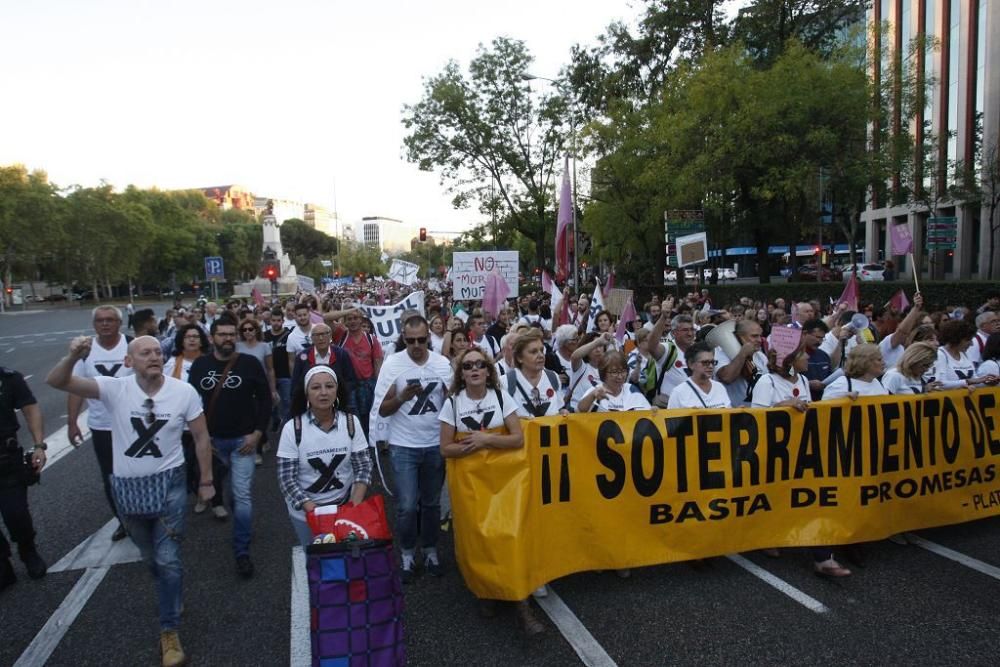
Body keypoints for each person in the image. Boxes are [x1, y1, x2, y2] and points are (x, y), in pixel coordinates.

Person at [47, 336, 214, 667]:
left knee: (167, 560)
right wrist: (72, 357)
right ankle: (171, 588)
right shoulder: (114, 389)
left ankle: (169, 632)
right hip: (128, 488)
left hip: (171, 484)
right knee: (150, 556)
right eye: (144, 353)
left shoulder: (184, 392)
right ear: (129, 361)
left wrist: (207, 481)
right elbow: (57, 381)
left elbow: (201, 436)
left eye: (157, 352)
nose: (153, 357)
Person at [437, 347, 544, 636]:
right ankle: (485, 591)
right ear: (461, 373)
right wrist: (471, 446)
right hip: (469, 484)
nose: (474, 369)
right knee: (479, 539)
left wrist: (486, 440)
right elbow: (445, 448)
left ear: (488, 370)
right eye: (468, 365)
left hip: (504, 481)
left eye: (480, 364)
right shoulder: (453, 404)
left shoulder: (500, 397)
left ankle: (522, 605)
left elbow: (518, 439)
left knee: (508, 537)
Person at [187, 315, 272, 578]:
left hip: (243, 442)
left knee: (242, 496)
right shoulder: (200, 365)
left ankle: (242, 551)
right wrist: (201, 439)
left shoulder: (248, 364)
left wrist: (257, 433)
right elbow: (190, 404)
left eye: (231, 334)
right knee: (224, 492)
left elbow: (266, 400)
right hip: (210, 443)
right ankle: (238, 523)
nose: (227, 338)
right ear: (211, 337)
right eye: (222, 334)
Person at [372, 315, 452, 582]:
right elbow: (381, 409)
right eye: (410, 340)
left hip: (434, 444)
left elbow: (455, 402)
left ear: (429, 336)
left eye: (421, 339)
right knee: (407, 505)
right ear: (403, 339)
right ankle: (407, 554)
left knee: (430, 504)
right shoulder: (393, 364)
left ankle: (430, 550)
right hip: (403, 445)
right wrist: (401, 397)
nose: (417, 345)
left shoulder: (441, 364)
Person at [277, 367, 371, 548]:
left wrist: (352, 507)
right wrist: (315, 513)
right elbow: (286, 479)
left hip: (344, 508)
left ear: (337, 390)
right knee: (314, 560)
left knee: (347, 559)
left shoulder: (351, 423)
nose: (323, 393)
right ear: (306, 393)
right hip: (306, 514)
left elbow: (364, 466)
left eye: (329, 386)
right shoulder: (293, 428)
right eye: (315, 387)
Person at [67, 305, 133, 542]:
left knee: (137, 471)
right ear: (94, 325)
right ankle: (123, 520)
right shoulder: (85, 351)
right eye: (100, 321)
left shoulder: (132, 344)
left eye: (110, 320)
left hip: (134, 423)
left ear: (119, 323)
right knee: (111, 477)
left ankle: (147, 515)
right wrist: (72, 422)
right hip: (102, 426)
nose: (105, 324)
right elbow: (74, 387)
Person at [163, 324, 223, 515]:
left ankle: (217, 502)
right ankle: (198, 492)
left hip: (206, 421)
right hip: (180, 426)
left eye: (196, 336)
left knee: (212, 463)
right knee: (188, 465)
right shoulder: (172, 364)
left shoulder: (210, 362)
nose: (192, 340)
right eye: (187, 336)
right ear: (181, 340)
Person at [0, 365, 47, 591]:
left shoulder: (8, 378)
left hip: (5, 458)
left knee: (16, 512)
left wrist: (39, 445)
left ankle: (28, 550)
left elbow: (30, 408)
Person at [332, 309, 384, 437]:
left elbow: (377, 364)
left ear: (361, 320)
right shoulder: (340, 335)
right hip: (348, 385)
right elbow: (325, 318)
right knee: (351, 418)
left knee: (367, 419)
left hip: (367, 385)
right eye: (349, 319)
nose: (353, 321)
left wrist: (379, 388)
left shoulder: (371, 339)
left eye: (356, 318)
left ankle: (367, 447)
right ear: (345, 321)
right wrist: (349, 310)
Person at [507, 329, 564, 417]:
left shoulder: (553, 377)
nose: (540, 355)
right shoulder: (506, 382)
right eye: (533, 352)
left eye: (541, 350)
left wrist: (563, 413)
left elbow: (559, 409)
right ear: (519, 358)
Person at [714, 320, 768, 408]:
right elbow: (727, 377)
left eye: (760, 336)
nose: (759, 340)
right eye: (754, 336)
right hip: (734, 414)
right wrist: (743, 353)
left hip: (758, 413)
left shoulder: (761, 356)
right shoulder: (721, 352)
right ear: (739, 337)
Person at [578, 351, 652, 413]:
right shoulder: (596, 391)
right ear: (603, 373)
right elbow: (580, 410)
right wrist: (593, 395)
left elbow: (646, 412)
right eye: (614, 372)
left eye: (623, 371)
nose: (620, 376)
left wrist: (653, 411)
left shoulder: (631, 389)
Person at [668, 342, 732, 410]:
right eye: (705, 362)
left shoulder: (720, 387)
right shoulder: (678, 392)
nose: (710, 366)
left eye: (712, 362)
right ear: (691, 364)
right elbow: (671, 419)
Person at [936, 319, 998, 389]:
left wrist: (987, 382)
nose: (971, 344)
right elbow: (939, 384)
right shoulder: (940, 354)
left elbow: (975, 381)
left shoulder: (965, 354)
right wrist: (968, 381)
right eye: (968, 340)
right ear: (956, 339)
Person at [567, 332, 613, 411]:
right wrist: (597, 342)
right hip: (578, 415)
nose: (598, 350)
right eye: (594, 346)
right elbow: (574, 356)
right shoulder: (581, 366)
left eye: (600, 346)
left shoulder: (609, 370)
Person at [822, 345, 888, 399]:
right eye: (879, 360)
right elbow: (823, 409)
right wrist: (841, 398)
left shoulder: (877, 382)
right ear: (864, 362)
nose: (883, 363)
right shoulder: (841, 384)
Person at [264, 307, 293, 426]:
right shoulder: (264, 336)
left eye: (278, 320)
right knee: (272, 401)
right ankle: (276, 419)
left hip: (285, 375)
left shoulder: (289, 335)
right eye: (273, 320)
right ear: (269, 321)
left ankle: (287, 425)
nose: (276, 323)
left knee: (287, 401)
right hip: (270, 376)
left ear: (283, 321)